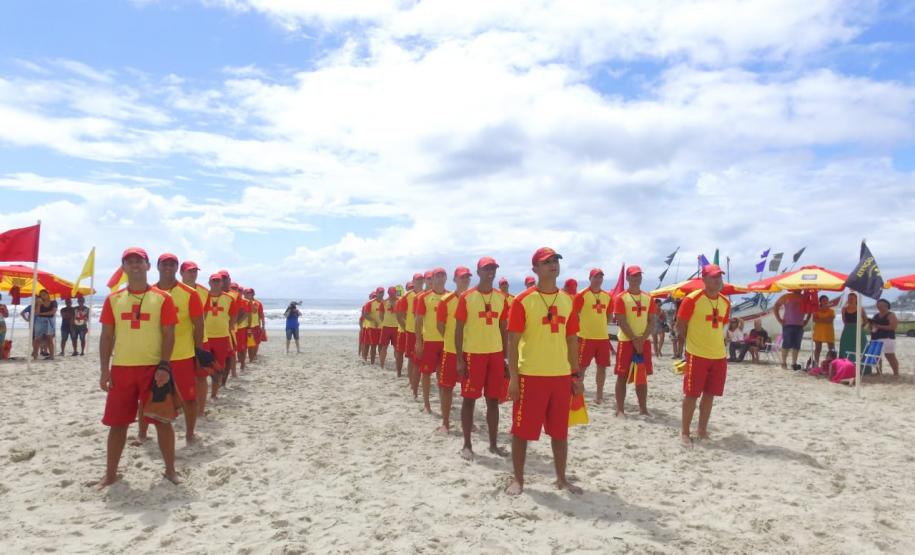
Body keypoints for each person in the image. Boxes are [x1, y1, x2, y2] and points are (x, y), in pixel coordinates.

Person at [97, 247, 179, 486]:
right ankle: (110, 475)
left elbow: (169, 334)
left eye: (139, 261)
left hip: (153, 369)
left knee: (163, 421)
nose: (134, 265)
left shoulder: (163, 298)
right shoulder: (113, 299)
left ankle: (171, 470)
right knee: (117, 424)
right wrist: (104, 369)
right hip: (122, 368)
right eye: (129, 261)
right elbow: (106, 336)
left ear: (147, 266)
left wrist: (164, 366)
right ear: (123, 268)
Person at [506, 247, 583, 496]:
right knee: (522, 432)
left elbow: (572, 339)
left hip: (560, 376)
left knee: (560, 432)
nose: (552, 265)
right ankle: (518, 479)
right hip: (531, 375)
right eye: (546, 262)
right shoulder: (522, 301)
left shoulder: (567, 300)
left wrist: (575, 374)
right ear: (535, 269)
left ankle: (561, 479)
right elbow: (513, 342)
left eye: (555, 260)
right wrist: (514, 378)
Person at [138, 253, 205, 445]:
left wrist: (198, 351)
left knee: (188, 398)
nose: (168, 267)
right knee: (145, 397)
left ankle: (190, 434)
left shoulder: (190, 294)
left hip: (182, 355)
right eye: (164, 264)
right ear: (157, 267)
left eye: (172, 264)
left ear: (177, 268)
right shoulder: (147, 293)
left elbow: (199, 325)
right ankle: (142, 434)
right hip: (152, 355)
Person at [454, 258, 509, 458]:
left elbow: (504, 328)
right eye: (487, 269)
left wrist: (506, 358)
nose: (491, 272)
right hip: (472, 354)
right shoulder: (467, 297)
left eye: (493, 268)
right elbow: (458, 330)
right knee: (469, 400)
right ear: (479, 271)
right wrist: (460, 359)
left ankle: (493, 445)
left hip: (494, 355)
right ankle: (467, 445)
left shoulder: (501, 298)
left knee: (493, 401)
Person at [677, 264, 731, 448]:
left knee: (710, 394)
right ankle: (685, 432)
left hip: (718, 355)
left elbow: (721, 325)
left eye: (719, 276)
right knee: (691, 394)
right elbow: (680, 324)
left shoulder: (725, 302)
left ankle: (701, 430)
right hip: (697, 354)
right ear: (704, 279)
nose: (717, 280)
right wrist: (691, 343)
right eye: (714, 277)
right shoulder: (692, 299)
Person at [612, 266, 657, 417]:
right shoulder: (621, 298)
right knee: (622, 376)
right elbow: (621, 321)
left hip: (644, 341)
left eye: (639, 276)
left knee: (642, 377)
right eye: (633, 276)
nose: (636, 278)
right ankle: (620, 409)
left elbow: (652, 320)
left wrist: (642, 339)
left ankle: (643, 409)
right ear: (627, 278)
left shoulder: (648, 297)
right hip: (626, 341)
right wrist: (634, 339)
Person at [435, 266, 472, 434]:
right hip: (450, 350)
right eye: (462, 278)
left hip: (471, 350)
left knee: (469, 391)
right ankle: (445, 422)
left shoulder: (474, 298)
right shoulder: (446, 300)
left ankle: (468, 422)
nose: (465, 280)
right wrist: (451, 340)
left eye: (467, 277)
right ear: (455, 280)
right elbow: (440, 326)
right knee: (447, 387)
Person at [572, 268, 612, 404]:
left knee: (602, 367)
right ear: (590, 278)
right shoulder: (582, 295)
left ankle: (599, 395)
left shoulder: (607, 296)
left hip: (602, 338)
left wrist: (603, 324)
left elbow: (609, 315)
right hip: (585, 337)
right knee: (581, 367)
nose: (598, 279)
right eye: (596, 277)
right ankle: (577, 394)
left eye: (600, 277)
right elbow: (574, 315)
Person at [416, 268, 449, 414]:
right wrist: (418, 341)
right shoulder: (424, 297)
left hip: (447, 342)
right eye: (437, 276)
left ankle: (444, 405)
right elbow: (418, 320)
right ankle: (427, 404)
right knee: (426, 373)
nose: (440, 278)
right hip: (429, 340)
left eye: (443, 276)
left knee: (443, 375)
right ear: (432, 278)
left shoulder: (450, 296)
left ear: (446, 278)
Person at [180, 260, 211, 416]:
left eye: (195, 271)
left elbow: (203, 317)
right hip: (179, 340)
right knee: (179, 378)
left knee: (201, 376)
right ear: (182, 273)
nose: (192, 274)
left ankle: (200, 410)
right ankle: (178, 407)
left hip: (201, 339)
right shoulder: (174, 290)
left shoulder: (205, 292)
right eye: (189, 271)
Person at [203, 273, 238, 401]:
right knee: (202, 367)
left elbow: (233, 315)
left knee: (219, 366)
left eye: (218, 281)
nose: (216, 283)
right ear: (209, 283)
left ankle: (214, 394)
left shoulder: (229, 298)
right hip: (205, 337)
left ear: (222, 283)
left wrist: (229, 327)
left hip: (222, 337)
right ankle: (202, 393)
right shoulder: (203, 296)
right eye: (214, 281)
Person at [396, 274, 424, 384]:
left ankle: (416, 380)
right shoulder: (406, 296)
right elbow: (399, 315)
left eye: (421, 279)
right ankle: (411, 382)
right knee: (412, 359)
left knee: (420, 359)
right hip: (411, 332)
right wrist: (406, 326)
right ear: (413, 281)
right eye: (418, 280)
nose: (420, 281)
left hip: (424, 332)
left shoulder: (425, 294)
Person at [774, 290, 810, 370]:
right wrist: (779, 319)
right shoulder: (786, 296)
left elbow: (810, 309)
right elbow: (776, 306)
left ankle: (794, 363)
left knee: (796, 345)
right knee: (786, 343)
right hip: (788, 324)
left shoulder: (805, 297)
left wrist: (807, 319)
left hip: (799, 324)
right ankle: (783, 362)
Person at [870, 299, 899, 375]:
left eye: (880, 305)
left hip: (887, 338)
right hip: (876, 337)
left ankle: (896, 373)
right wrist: (872, 327)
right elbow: (873, 325)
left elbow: (893, 327)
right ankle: (878, 372)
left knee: (890, 355)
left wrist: (879, 326)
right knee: (876, 356)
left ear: (886, 306)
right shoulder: (876, 315)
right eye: (877, 306)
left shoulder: (891, 315)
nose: (878, 307)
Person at [839, 293, 869, 362]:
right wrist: (849, 327)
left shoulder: (860, 308)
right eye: (849, 298)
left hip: (858, 330)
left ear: (856, 299)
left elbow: (866, 320)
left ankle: (861, 367)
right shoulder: (844, 308)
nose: (850, 300)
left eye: (852, 298)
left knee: (861, 347)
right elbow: (844, 321)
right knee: (845, 347)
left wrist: (860, 327)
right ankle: (845, 365)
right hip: (847, 330)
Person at [32, 290, 57, 360]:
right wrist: (39, 304)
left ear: (47, 294)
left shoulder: (53, 302)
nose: (43, 295)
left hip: (49, 321)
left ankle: (52, 356)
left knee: (49, 339)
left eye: (44, 294)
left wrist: (41, 314)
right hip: (39, 321)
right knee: (37, 338)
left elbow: (52, 312)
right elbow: (36, 312)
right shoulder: (38, 302)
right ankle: (35, 356)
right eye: (41, 295)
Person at [811, 295, 836, 365]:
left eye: (826, 300)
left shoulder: (831, 310)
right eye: (823, 300)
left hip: (829, 331)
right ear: (820, 302)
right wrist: (824, 319)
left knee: (831, 349)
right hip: (819, 331)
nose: (825, 302)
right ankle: (816, 363)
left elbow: (830, 320)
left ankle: (832, 363)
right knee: (818, 348)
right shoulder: (816, 310)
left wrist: (820, 319)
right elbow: (814, 319)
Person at [379, 287, 400, 370]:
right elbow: (381, 315)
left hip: (396, 327)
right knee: (384, 347)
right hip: (386, 327)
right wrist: (384, 322)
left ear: (395, 293)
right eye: (390, 294)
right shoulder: (384, 302)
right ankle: (382, 365)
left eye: (393, 293)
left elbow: (401, 313)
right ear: (388, 293)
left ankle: (398, 365)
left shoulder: (399, 301)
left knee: (396, 348)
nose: (392, 295)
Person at [362, 288, 384, 365]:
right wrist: (374, 320)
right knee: (372, 345)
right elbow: (365, 315)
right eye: (380, 292)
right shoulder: (370, 303)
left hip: (382, 328)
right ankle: (371, 362)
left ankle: (381, 363)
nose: (381, 294)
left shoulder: (384, 302)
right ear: (377, 293)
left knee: (381, 346)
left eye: (382, 292)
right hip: (371, 327)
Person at [245, 288, 266, 362]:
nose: (248, 294)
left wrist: (263, 326)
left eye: (249, 293)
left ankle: (253, 357)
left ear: (253, 294)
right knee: (249, 344)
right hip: (246, 326)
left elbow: (261, 316)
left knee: (256, 343)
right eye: (246, 293)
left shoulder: (258, 303)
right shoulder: (243, 302)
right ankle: (251, 357)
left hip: (256, 326)